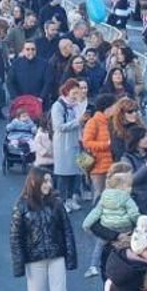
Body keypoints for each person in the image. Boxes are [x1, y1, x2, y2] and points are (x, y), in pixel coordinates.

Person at [10, 167, 78, 291]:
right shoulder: (21, 205)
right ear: (35, 182)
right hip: (34, 259)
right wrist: (19, 264)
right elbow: (15, 236)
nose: (49, 184)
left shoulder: (56, 203)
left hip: (56, 255)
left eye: (50, 181)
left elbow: (67, 230)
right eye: (45, 181)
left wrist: (70, 257)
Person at [50, 80, 88, 211]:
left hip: (75, 142)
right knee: (63, 174)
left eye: (78, 93)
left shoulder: (76, 106)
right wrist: (78, 121)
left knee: (74, 173)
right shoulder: (58, 106)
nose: (76, 96)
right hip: (63, 144)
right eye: (74, 93)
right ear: (67, 91)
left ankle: (70, 199)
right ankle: (62, 201)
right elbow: (59, 126)